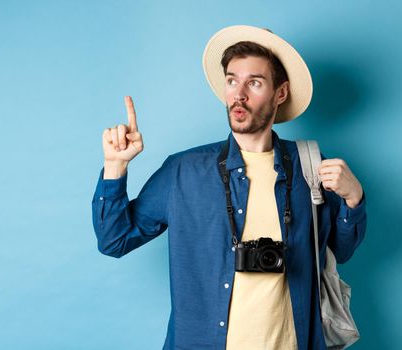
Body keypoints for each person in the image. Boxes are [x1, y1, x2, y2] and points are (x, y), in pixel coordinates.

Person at [92, 25, 366, 350]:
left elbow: (340, 252)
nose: (239, 94)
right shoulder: (184, 171)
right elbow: (114, 239)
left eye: (255, 82)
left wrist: (353, 198)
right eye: (233, 80)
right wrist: (115, 166)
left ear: (280, 93)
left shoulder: (310, 165)